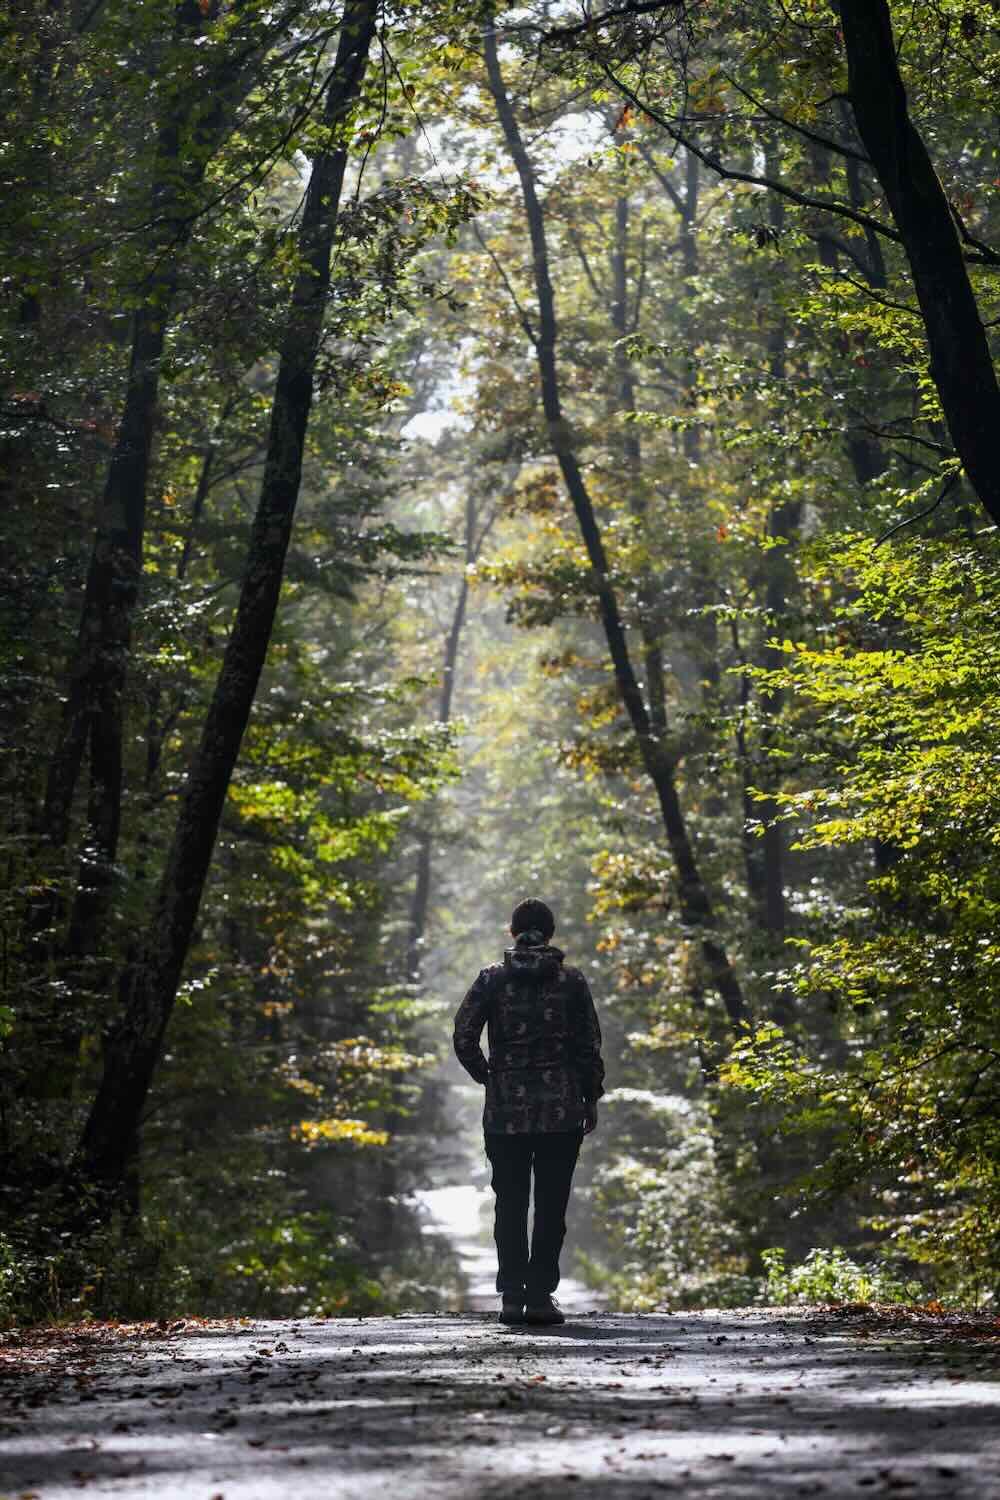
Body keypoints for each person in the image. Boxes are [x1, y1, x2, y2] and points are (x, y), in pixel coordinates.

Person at [453, 898, 605, 1326]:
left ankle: (511, 1298)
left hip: (505, 1114)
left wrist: (489, 1076)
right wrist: (590, 1096)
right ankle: (539, 1297)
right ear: (550, 933)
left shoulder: (492, 980)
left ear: (512, 932)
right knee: (552, 1204)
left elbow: (463, 1036)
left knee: (511, 1203)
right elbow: (588, 1044)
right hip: (560, 1112)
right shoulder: (571, 981)